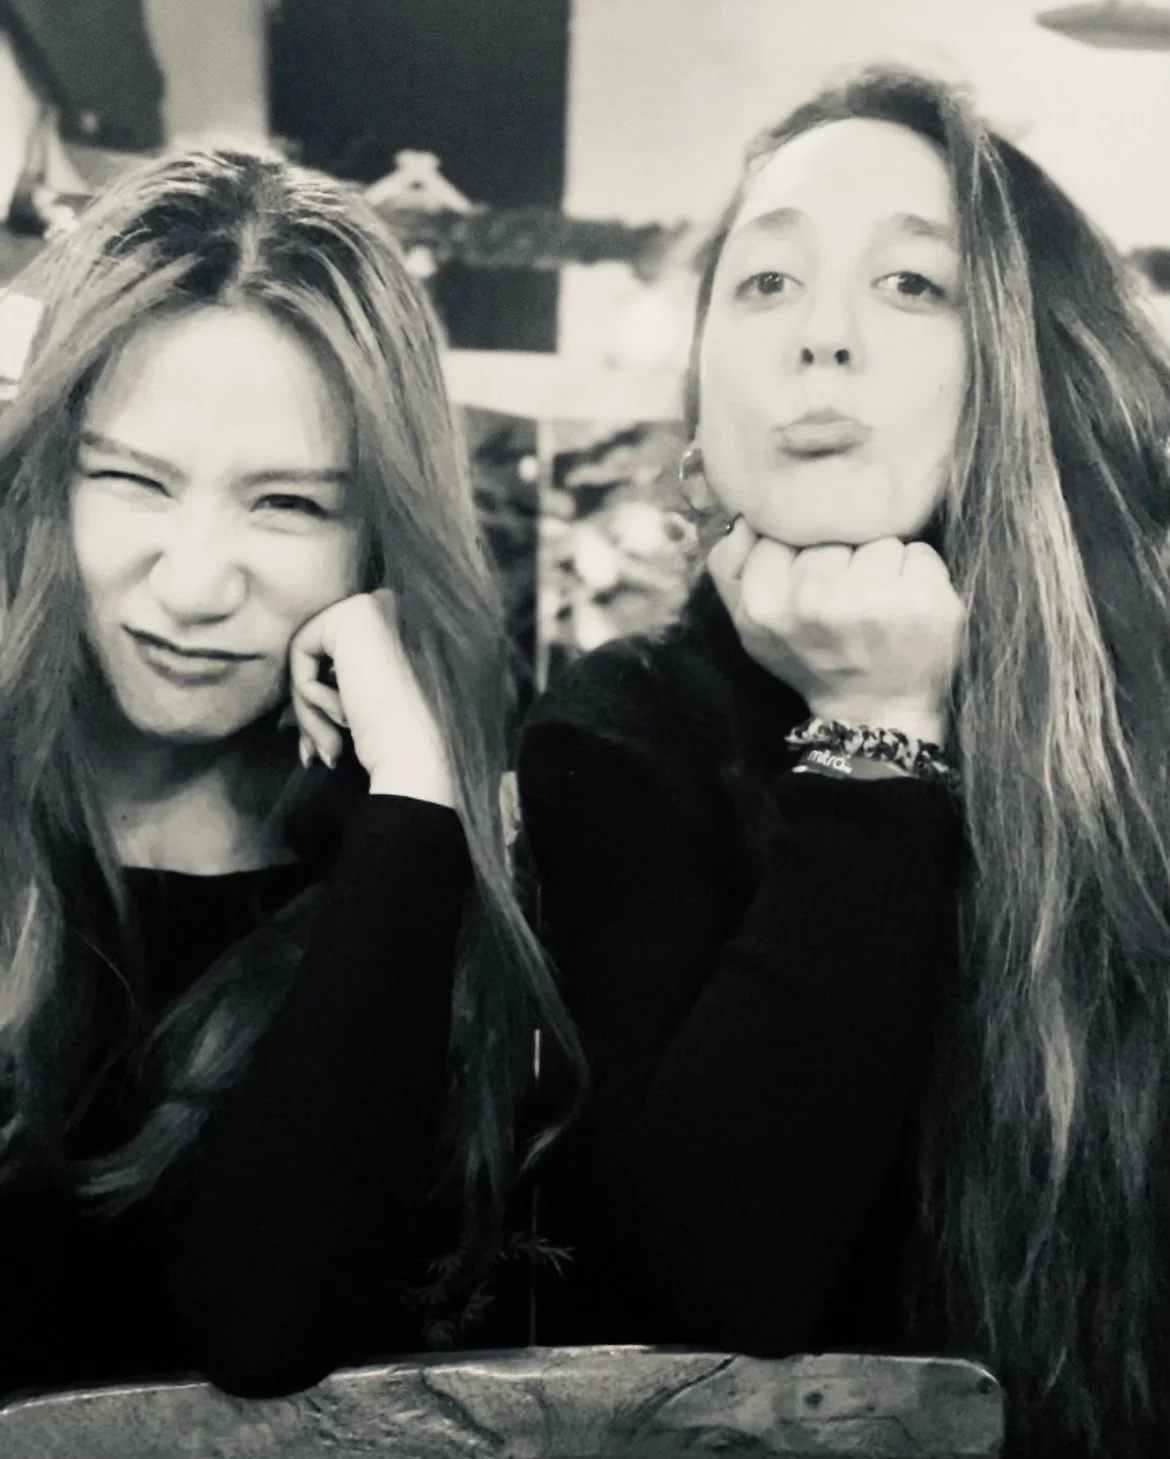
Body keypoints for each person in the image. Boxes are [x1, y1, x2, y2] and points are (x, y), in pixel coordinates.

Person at [518, 68, 1170, 1459]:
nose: (821, 335)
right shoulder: (625, 731)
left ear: (1025, 367)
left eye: (910, 284)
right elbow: (717, 1292)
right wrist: (876, 732)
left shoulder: (1146, 721)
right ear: (701, 410)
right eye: (764, 283)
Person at [0, 148, 579, 1400]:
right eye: (132, 478)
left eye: (289, 506)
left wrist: (417, 786)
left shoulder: (398, 877)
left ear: (379, 532)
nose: (197, 585)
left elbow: (268, 1328)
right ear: (45, 473)